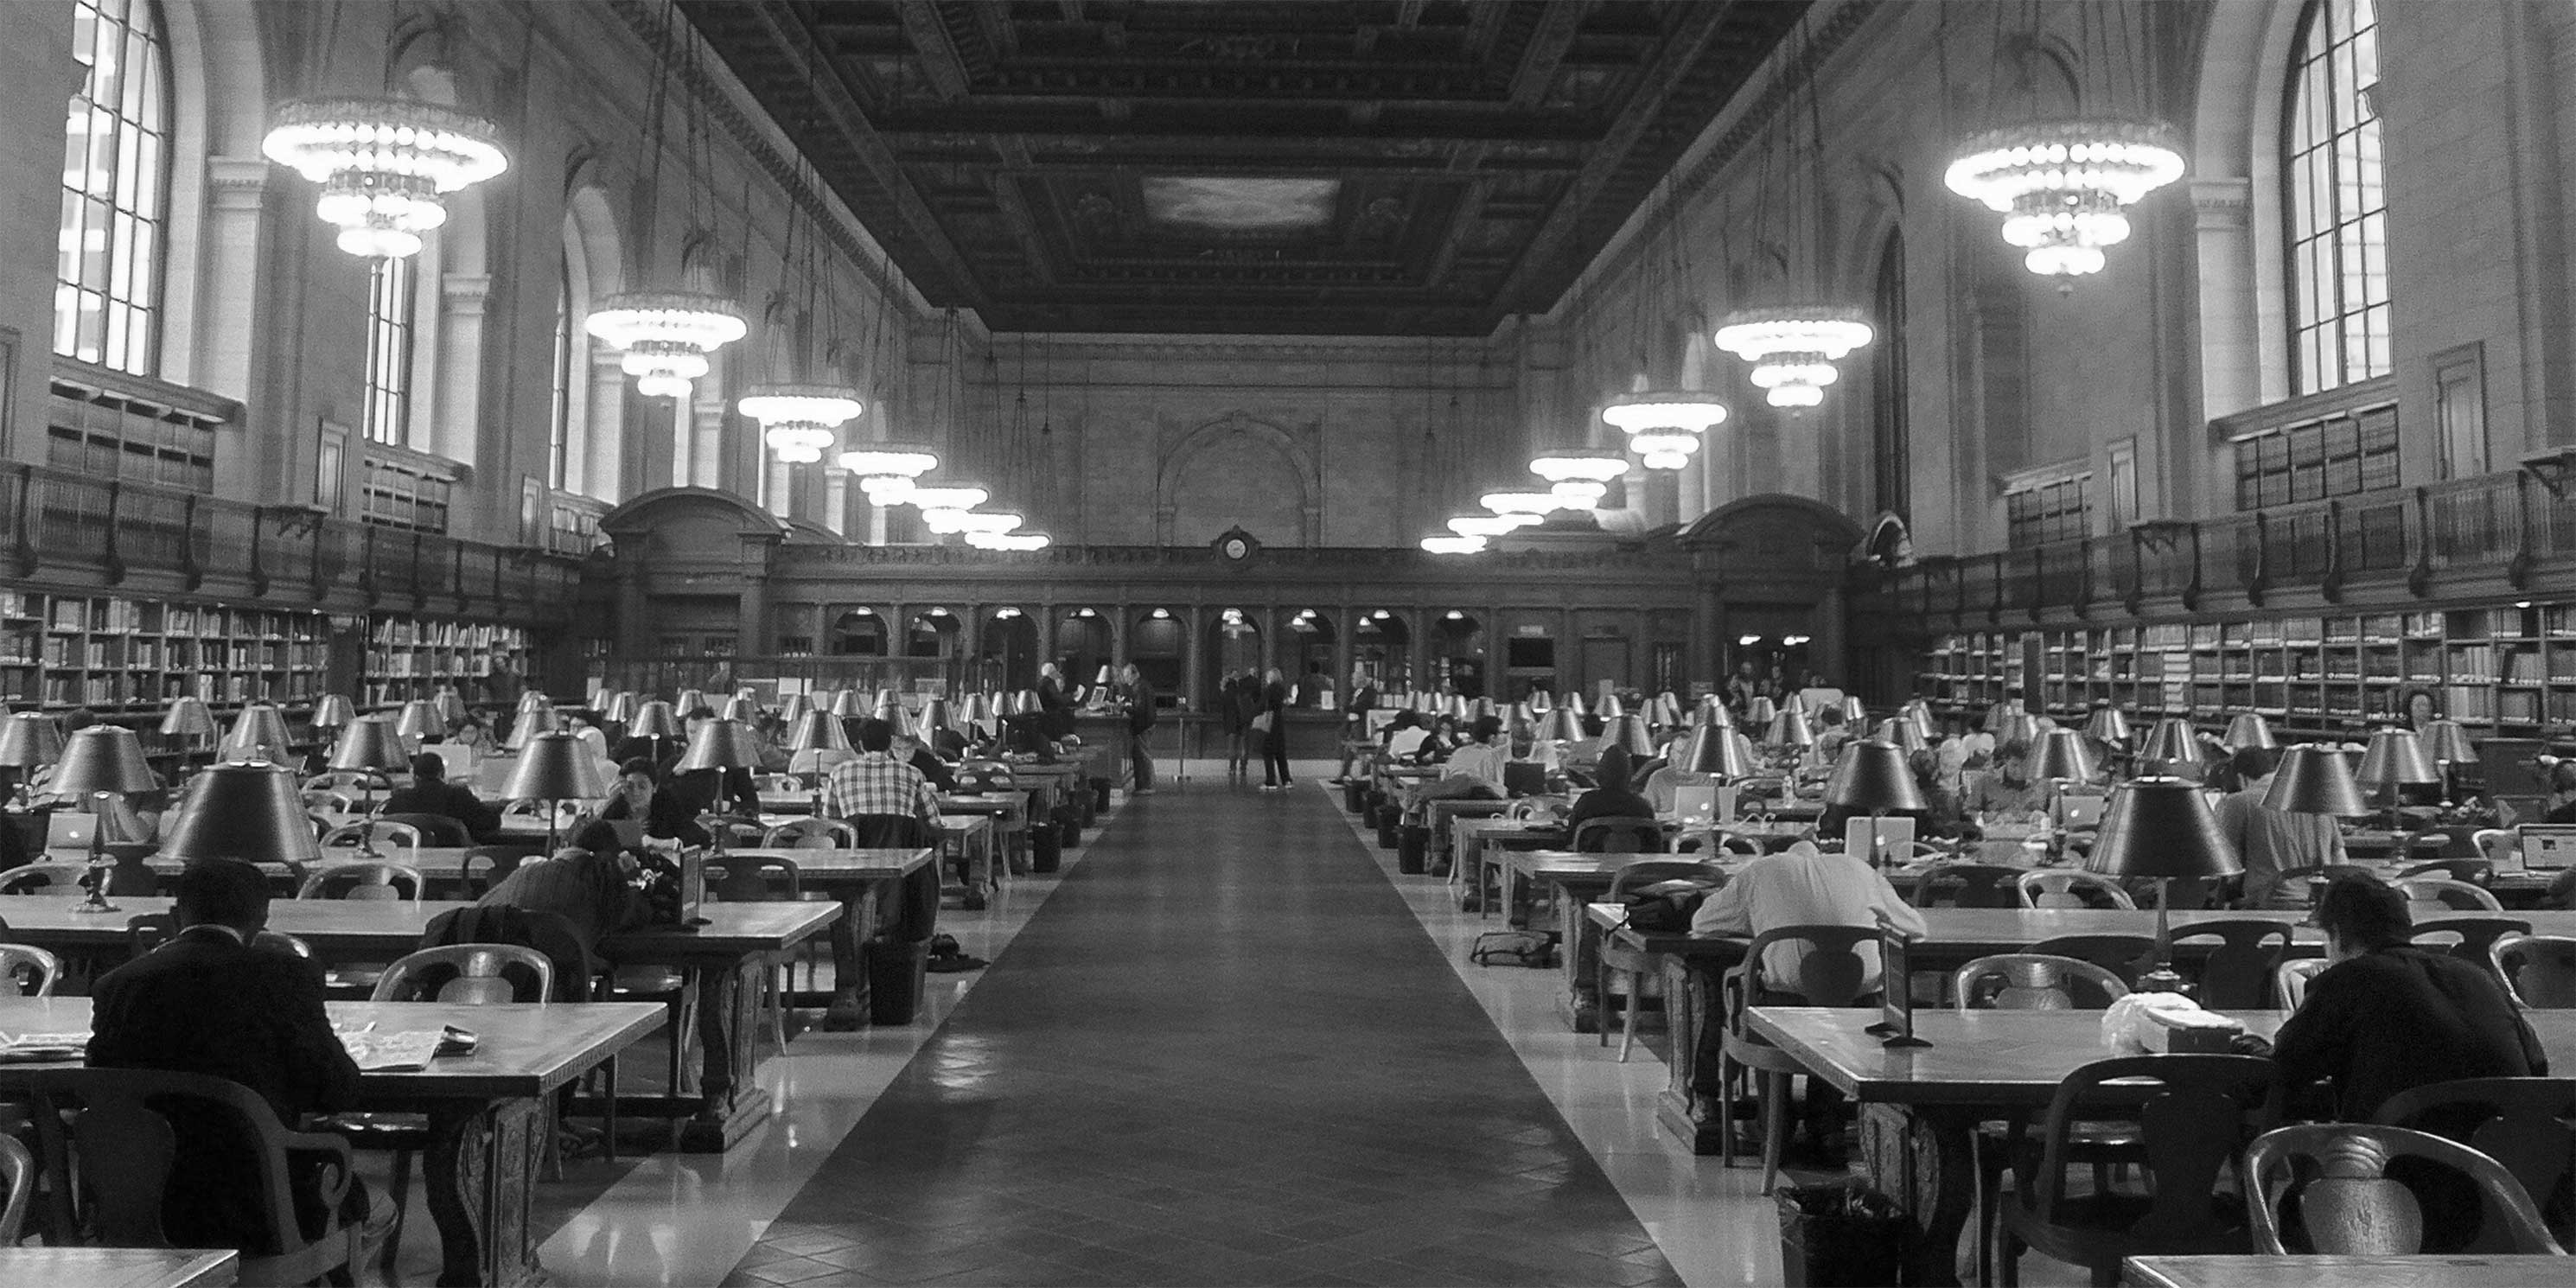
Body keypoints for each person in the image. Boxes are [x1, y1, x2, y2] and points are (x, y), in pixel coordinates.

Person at [86, 858, 393, 1258]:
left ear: (176, 914)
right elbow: (338, 1090)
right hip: (264, 1207)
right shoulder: (286, 976)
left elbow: (100, 1087)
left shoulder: (117, 985)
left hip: (139, 1206)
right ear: (262, 918)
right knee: (380, 1210)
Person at [1690, 839, 1927, 1150]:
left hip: (1786, 1009)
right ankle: (1828, 1127)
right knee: (1837, 1006)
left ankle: (1774, 1126)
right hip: (1859, 1009)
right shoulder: (1859, 868)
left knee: (1764, 997)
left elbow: (1702, 923)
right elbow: (1916, 928)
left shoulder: (1761, 870)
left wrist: (1762, 923)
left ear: (1782, 853)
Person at [2273, 876, 2545, 1120]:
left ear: (2337, 934)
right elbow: (2537, 1065)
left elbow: (2286, 1066)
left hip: (2398, 1161)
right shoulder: (2477, 976)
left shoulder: (2347, 978)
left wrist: (2247, 1044)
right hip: (2508, 1161)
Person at [2214, 746, 2349, 906]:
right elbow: (2341, 862)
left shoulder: (2239, 802)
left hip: (2268, 904)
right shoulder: (2318, 800)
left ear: (2242, 778)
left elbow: (2227, 869)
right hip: (2321, 905)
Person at [824, 717, 940, 837]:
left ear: (861, 745)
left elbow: (830, 821)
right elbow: (932, 820)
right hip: (902, 851)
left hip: (855, 850)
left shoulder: (839, 773)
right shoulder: (912, 773)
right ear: (890, 744)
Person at [382, 751, 503, 844]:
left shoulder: (399, 799)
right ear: (442, 772)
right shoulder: (459, 795)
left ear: (414, 776)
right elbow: (492, 822)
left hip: (407, 861)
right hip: (457, 862)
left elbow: (387, 825)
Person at [1565, 745, 1657, 833]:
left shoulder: (1586, 803)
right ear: (1629, 777)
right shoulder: (1643, 807)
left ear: (1598, 775)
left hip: (1592, 849)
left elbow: (1570, 835)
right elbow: (1654, 843)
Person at [1964, 739, 2047, 820]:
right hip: (1995, 832)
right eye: (2014, 765)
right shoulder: (1986, 781)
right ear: (2006, 761)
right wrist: (1990, 817)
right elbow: (1968, 812)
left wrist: (2043, 816)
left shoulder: (2041, 783)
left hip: (2033, 832)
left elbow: (2052, 815)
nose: (2019, 771)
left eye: (2025, 766)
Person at [1119, 663, 1157, 795]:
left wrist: (1124, 707)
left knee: (1144, 755)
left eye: (1126, 676)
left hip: (1143, 725)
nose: (1125, 679)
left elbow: (1140, 709)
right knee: (1141, 755)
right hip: (1146, 724)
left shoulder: (1139, 687)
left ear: (1133, 674)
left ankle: (1148, 786)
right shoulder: (1142, 685)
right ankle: (1143, 785)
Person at [891, 727, 956, 794]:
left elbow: (950, 784)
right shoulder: (888, 761)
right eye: (898, 749)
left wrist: (927, 786)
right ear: (891, 749)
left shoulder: (926, 760)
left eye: (908, 748)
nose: (903, 753)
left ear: (915, 747)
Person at [1259, 666, 1294, 790]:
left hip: (1269, 721)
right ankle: (1286, 780)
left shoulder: (1268, 690)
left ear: (1270, 677)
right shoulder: (1282, 690)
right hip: (1279, 722)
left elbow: (1262, 705)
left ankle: (1271, 780)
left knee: (1267, 751)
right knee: (1280, 753)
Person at [1217, 672, 1251, 785]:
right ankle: (1243, 768)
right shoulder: (1244, 693)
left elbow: (1221, 709)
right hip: (1244, 722)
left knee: (1232, 746)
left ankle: (1232, 768)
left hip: (1231, 722)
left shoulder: (1226, 694)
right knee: (1243, 746)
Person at [1035, 662, 1076, 740]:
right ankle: (1069, 738)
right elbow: (1058, 698)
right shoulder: (1049, 682)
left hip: (1044, 712)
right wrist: (1072, 696)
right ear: (1052, 673)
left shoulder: (1041, 682)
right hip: (1050, 713)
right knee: (1067, 714)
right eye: (1055, 671)